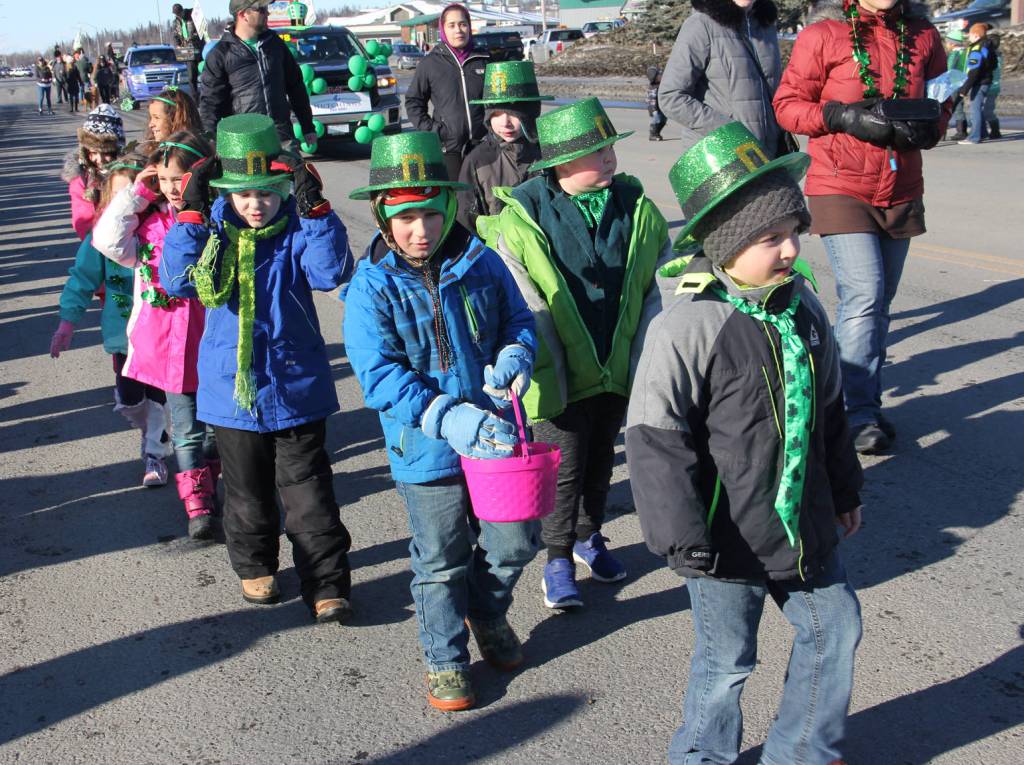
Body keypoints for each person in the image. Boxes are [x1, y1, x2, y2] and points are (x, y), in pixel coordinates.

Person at [626, 122, 864, 765]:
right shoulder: (689, 324)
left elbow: (830, 411)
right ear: (728, 244)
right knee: (726, 660)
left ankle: (803, 751)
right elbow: (655, 436)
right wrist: (680, 535)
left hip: (804, 522)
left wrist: (844, 489)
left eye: (794, 233)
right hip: (722, 536)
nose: (789, 250)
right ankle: (702, 755)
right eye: (770, 239)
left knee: (835, 631)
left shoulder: (805, 310)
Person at [343, 131, 538, 711]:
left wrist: (517, 353)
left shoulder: (483, 263)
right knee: (440, 558)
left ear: (450, 206)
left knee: (514, 541)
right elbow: (378, 375)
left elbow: (518, 319)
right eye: (405, 218)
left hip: (496, 435)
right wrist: (444, 416)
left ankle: (486, 610)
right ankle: (446, 655)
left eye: (430, 213)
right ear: (382, 215)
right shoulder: (372, 287)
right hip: (425, 449)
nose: (420, 230)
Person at [159, 114, 355, 623]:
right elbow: (178, 281)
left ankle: (327, 582)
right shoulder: (212, 234)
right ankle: (256, 564)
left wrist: (314, 209)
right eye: (243, 195)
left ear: (281, 189)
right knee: (247, 494)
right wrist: (190, 215)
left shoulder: (295, 229)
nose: (254, 204)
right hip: (230, 392)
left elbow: (330, 270)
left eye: (266, 193)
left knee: (309, 495)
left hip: (296, 387)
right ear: (224, 194)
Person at [477, 98, 669, 609]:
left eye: (610, 150)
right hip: (555, 369)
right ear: (561, 164)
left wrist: (650, 357)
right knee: (563, 466)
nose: (609, 160)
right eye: (597, 152)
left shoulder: (637, 208)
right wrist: (531, 359)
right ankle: (557, 558)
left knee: (602, 458)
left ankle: (589, 536)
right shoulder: (522, 217)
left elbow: (656, 283)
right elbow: (523, 299)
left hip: (616, 363)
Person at [773, 0, 949, 454]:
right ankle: (857, 413)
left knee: (880, 302)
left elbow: (942, 96)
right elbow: (788, 106)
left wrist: (933, 126)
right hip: (839, 182)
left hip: (902, 186)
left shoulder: (924, 36)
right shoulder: (824, 34)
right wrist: (840, 116)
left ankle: (857, 396)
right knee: (864, 295)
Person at [92, 132, 218, 540]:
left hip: (215, 341)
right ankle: (196, 500)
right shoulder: (150, 225)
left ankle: (217, 482)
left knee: (217, 427)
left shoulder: (217, 219)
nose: (171, 188)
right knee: (184, 427)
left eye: (179, 179)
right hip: (171, 348)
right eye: (163, 179)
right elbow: (107, 241)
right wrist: (136, 195)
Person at [51, 155, 174, 488]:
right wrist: (67, 323)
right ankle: (149, 431)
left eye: (133, 197)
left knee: (159, 399)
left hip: (158, 334)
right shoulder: (99, 242)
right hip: (122, 338)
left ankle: (155, 455)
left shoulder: (156, 234)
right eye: (120, 197)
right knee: (130, 401)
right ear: (107, 202)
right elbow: (81, 280)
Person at [659, 0, 783, 156]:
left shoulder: (765, 24)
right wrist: (731, 132)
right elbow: (670, 97)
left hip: (766, 154)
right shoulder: (701, 24)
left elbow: (775, 90)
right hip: (719, 157)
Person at [199, 0, 316, 146]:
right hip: (244, 142)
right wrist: (210, 140)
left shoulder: (276, 45)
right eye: (261, 9)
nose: (268, 13)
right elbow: (210, 103)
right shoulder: (220, 54)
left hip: (281, 137)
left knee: (300, 169)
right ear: (243, 15)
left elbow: (296, 87)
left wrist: (307, 126)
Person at [456, 60, 550, 234]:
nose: (505, 123)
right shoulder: (478, 160)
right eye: (497, 114)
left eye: (514, 114)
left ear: (530, 114)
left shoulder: (550, 153)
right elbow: (466, 219)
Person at [404, 3, 490, 181]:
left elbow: (499, 100)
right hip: (450, 149)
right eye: (451, 25)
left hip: (485, 145)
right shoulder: (430, 64)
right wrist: (436, 131)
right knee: (457, 203)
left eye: (463, 24)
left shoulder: (484, 60)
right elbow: (413, 102)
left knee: (487, 201)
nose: (458, 30)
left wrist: (492, 131)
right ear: (443, 29)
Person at [61, 105, 126, 239]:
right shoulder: (82, 182)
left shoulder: (125, 175)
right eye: (94, 153)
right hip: (96, 241)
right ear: (85, 152)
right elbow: (83, 220)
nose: (100, 159)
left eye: (106, 153)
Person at [958, 22, 999, 145]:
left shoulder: (977, 48)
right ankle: (983, 133)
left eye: (970, 34)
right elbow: (994, 65)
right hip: (986, 80)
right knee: (978, 109)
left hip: (979, 82)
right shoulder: (987, 46)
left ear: (976, 35)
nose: (968, 37)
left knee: (974, 110)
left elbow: (974, 72)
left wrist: (964, 89)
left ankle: (974, 137)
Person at [172, 4, 205, 96]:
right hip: (185, 51)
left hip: (197, 48)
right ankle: (195, 97)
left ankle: (206, 93)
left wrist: (192, 38)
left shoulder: (193, 17)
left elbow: (201, 32)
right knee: (191, 77)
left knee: (204, 73)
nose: (178, 15)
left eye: (179, 13)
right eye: (176, 14)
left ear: (182, 11)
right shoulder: (176, 22)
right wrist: (178, 45)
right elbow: (175, 35)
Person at [944, 28, 968, 141]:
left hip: (953, 83)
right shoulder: (965, 52)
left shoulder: (954, 54)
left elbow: (949, 68)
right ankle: (962, 130)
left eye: (947, 42)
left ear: (952, 43)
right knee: (958, 107)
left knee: (949, 107)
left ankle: (942, 130)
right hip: (962, 82)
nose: (946, 45)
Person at [983, 33, 1002, 139]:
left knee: (988, 110)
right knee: (983, 110)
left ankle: (995, 130)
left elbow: (994, 72)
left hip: (992, 87)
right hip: (990, 85)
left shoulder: (995, 57)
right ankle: (985, 130)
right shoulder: (992, 55)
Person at [647, 65, 666, 141]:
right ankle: (653, 134)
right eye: (659, 76)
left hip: (661, 107)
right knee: (656, 120)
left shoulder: (661, 86)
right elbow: (651, 100)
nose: (661, 77)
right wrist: (654, 110)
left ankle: (657, 132)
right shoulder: (653, 88)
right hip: (654, 108)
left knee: (663, 120)